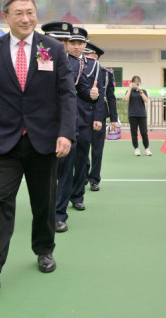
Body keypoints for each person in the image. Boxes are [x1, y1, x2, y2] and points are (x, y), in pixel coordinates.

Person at [0, 0, 77, 290]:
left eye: (30, 12)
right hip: (3, 140)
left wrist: (66, 132)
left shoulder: (52, 48)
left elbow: (66, 94)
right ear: (6, 16)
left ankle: (44, 249)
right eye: (19, 13)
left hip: (43, 140)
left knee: (43, 201)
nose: (26, 18)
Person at [41, 21, 92, 232]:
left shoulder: (76, 64)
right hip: (41, 126)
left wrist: (92, 96)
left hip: (66, 126)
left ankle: (59, 214)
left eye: (65, 40)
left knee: (64, 171)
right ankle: (45, 211)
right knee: (44, 173)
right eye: (57, 40)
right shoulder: (41, 56)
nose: (61, 44)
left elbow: (81, 90)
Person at [67, 26, 105, 211]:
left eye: (80, 43)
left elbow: (99, 93)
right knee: (64, 160)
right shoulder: (60, 61)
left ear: (85, 44)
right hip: (64, 118)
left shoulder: (94, 65)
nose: (76, 47)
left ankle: (77, 195)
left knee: (82, 160)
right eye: (72, 43)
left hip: (84, 117)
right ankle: (63, 194)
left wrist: (98, 117)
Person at [85, 41, 118, 191]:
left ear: (96, 57)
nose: (86, 57)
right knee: (81, 149)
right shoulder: (78, 69)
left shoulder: (106, 73)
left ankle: (94, 179)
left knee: (97, 149)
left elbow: (111, 97)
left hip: (99, 114)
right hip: (82, 114)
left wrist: (114, 118)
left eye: (89, 54)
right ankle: (83, 174)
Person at [124, 75, 151, 156]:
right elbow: (126, 99)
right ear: (132, 83)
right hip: (132, 114)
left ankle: (147, 148)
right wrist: (129, 88)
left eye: (138, 82)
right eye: (135, 82)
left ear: (140, 83)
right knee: (134, 133)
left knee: (144, 132)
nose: (136, 83)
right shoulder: (129, 91)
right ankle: (136, 148)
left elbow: (146, 100)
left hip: (142, 114)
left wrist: (140, 91)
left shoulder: (143, 91)